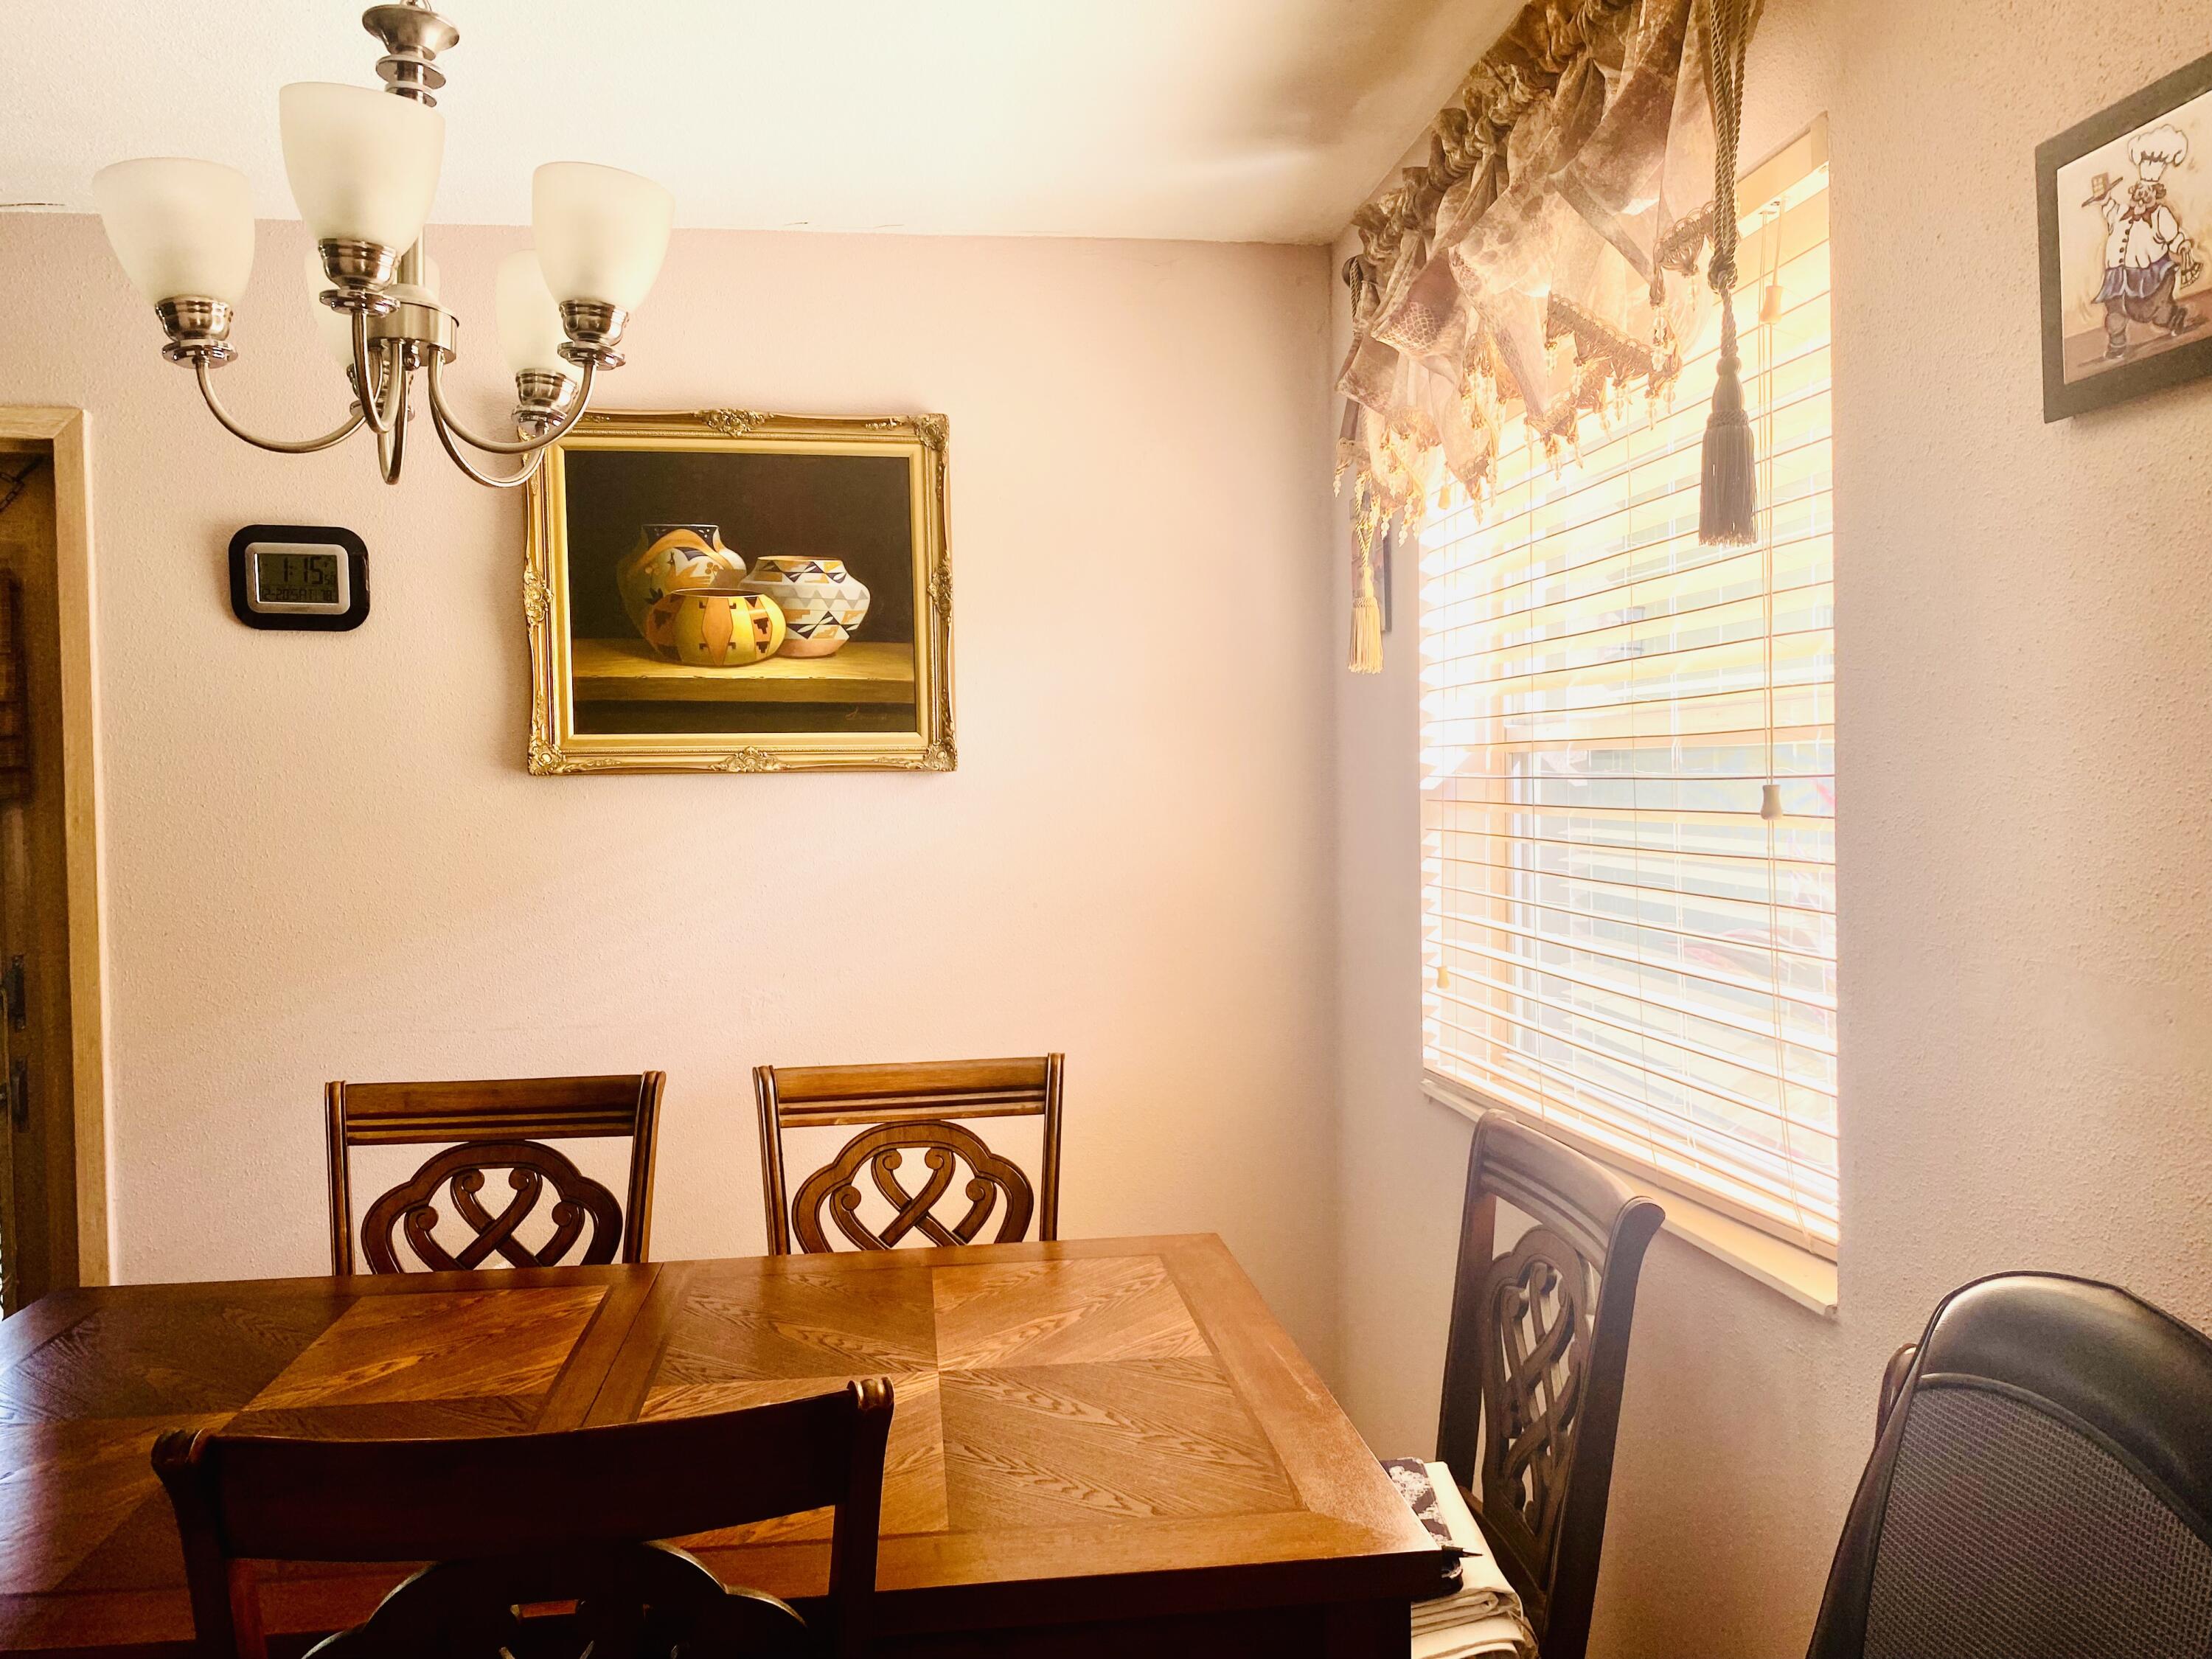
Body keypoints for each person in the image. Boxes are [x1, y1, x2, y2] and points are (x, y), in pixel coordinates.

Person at [2087, 122, 2199, 359]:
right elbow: (2109, 207)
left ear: (2156, 193)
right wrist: (2104, 197)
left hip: (2151, 275)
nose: (2142, 194)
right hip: (2118, 276)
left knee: (2154, 312)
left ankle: (2172, 318)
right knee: (2116, 311)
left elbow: (2174, 236)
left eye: (2148, 191)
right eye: (2139, 189)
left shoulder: (2160, 215)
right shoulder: (2120, 213)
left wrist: (2183, 248)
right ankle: (2117, 343)